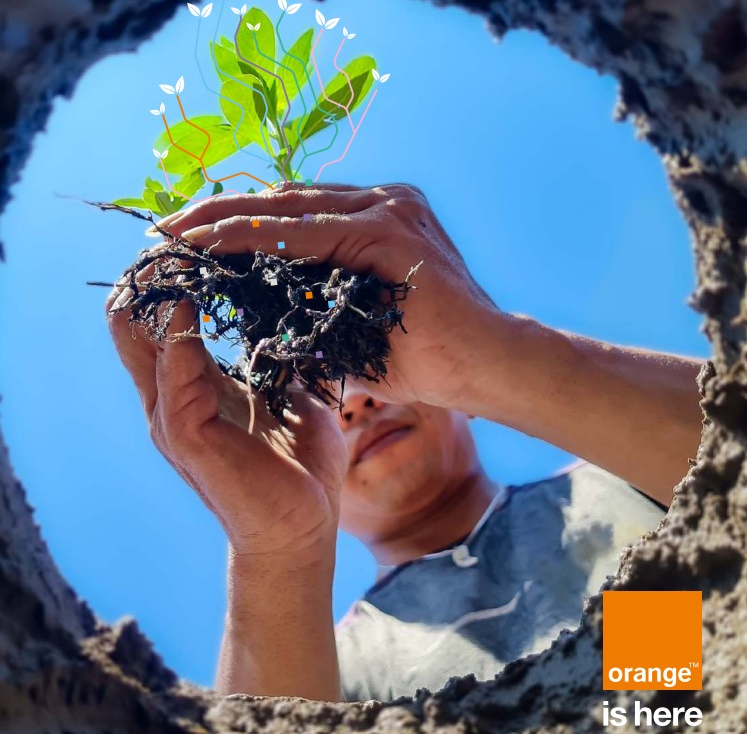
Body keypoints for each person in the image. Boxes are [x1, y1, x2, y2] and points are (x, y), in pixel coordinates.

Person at [106, 182, 706, 703]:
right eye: (317, 391)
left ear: (465, 406)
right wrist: (277, 552)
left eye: (371, 368)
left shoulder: (631, 479)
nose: (359, 402)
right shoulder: (327, 671)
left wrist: (501, 358)